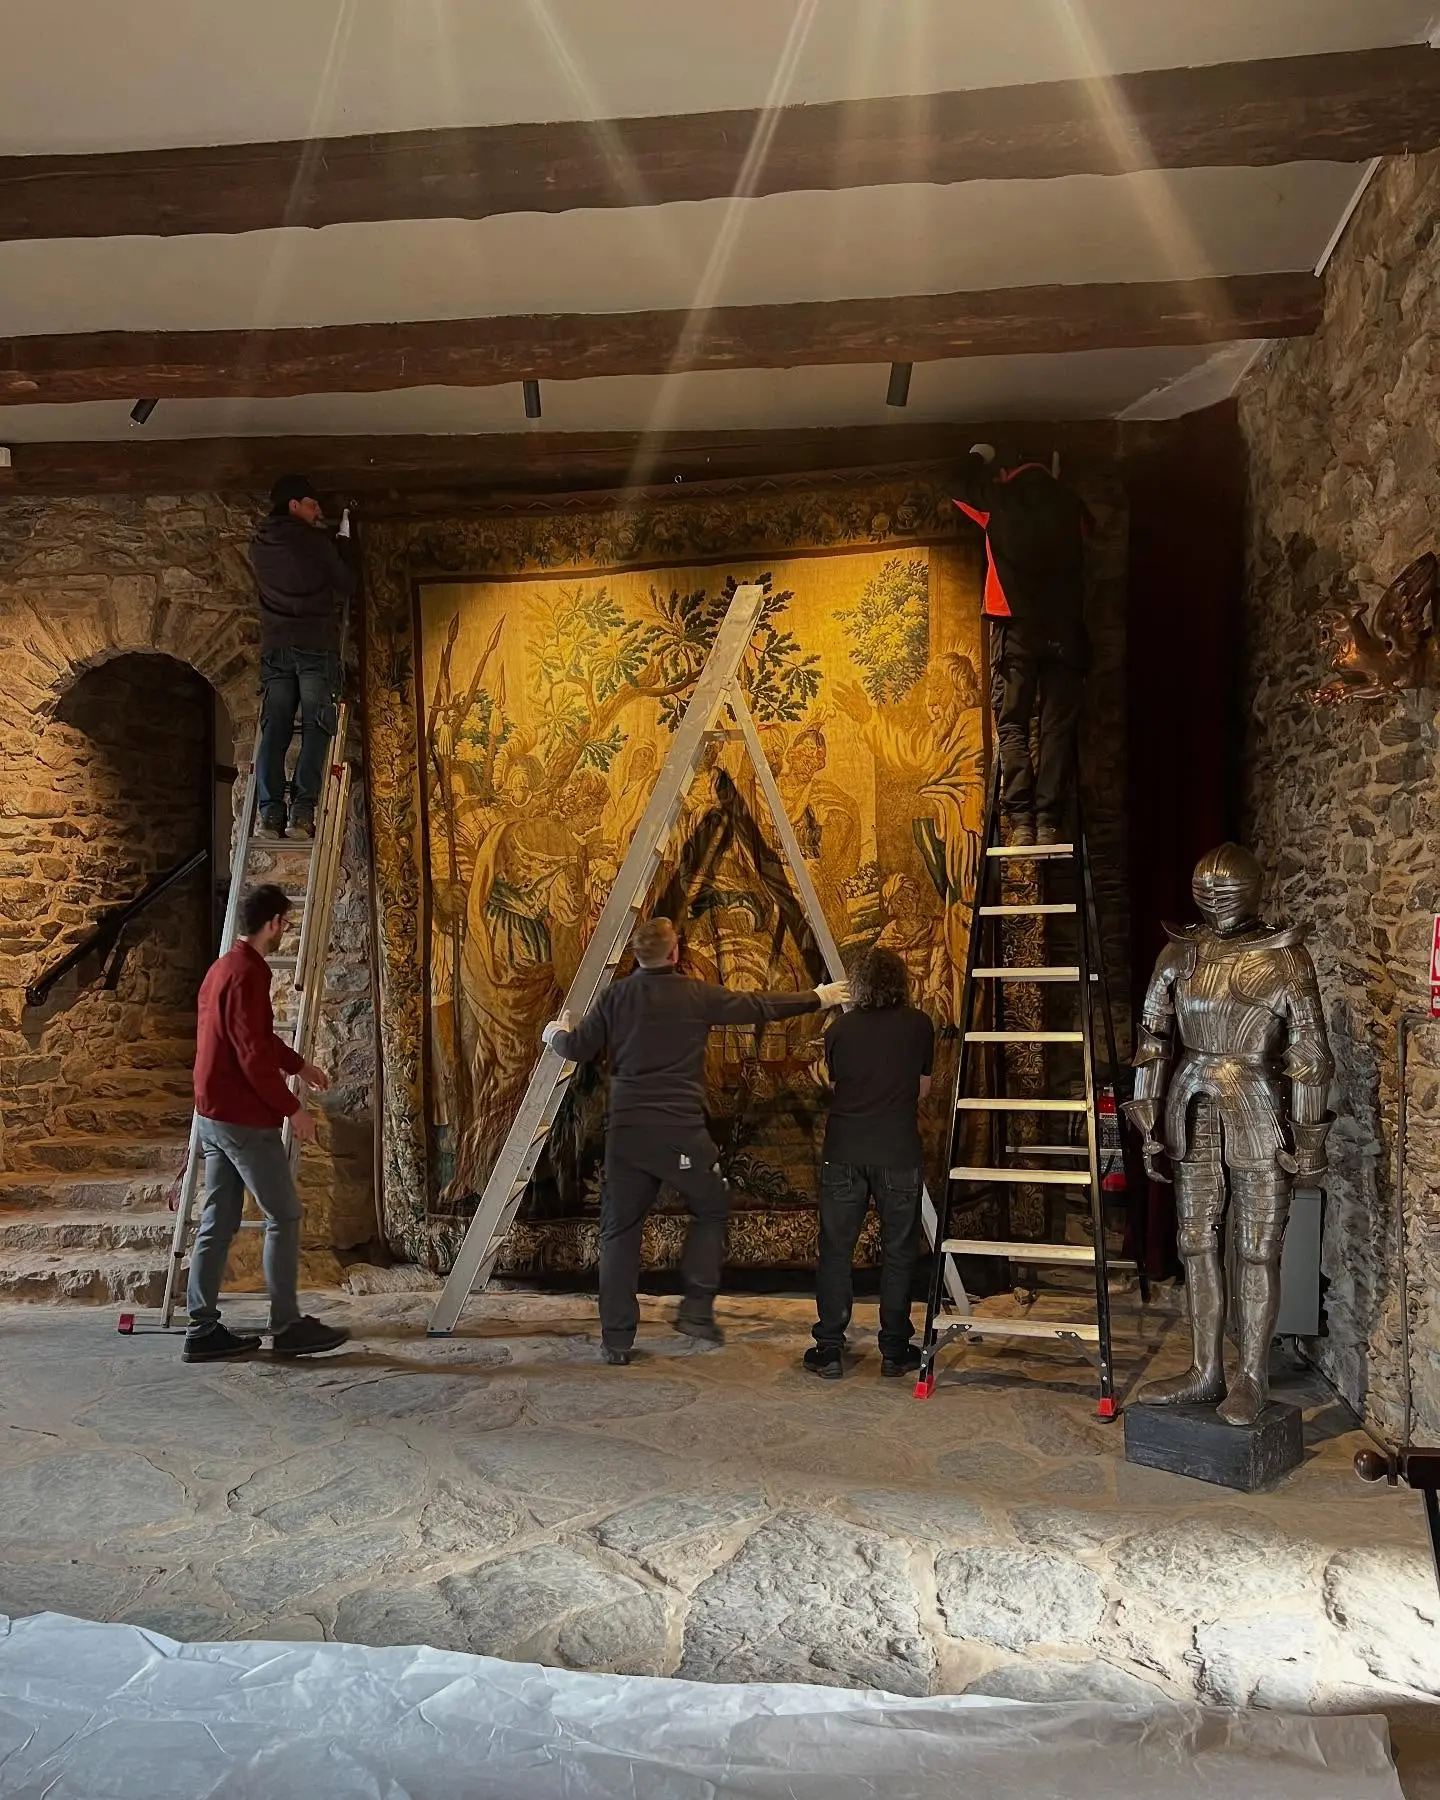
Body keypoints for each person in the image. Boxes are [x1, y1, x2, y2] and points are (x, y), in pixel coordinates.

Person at [542, 916, 849, 1364]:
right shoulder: (695, 994)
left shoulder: (615, 997)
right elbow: (757, 1006)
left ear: (637, 955)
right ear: (675, 954)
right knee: (711, 1204)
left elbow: (574, 1048)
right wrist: (816, 997)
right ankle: (697, 1310)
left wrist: (555, 1032)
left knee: (618, 1232)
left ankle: (617, 1339)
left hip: (627, 1140)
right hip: (682, 1140)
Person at [184, 883, 350, 1363]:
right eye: (286, 925)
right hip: (241, 1118)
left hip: (212, 1114)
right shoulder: (249, 975)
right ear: (274, 923)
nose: (285, 932)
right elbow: (253, 1055)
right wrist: (291, 1109)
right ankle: (286, 1324)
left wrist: (299, 1065)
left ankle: (202, 1330)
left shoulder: (222, 968)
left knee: (218, 1220)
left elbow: (252, 1038)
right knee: (284, 1214)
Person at [951, 444, 1093, 847]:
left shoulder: (998, 499)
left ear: (1005, 471)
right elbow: (1089, 529)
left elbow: (953, 485)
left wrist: (976, 455)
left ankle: (1021, 822)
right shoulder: (1069, 502)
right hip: (1066, 632)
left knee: (1012, 722)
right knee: (1056, 726)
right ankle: (1048, 821)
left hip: (1016, 629)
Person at [805, 945, 934, 1381]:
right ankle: (895, 1348)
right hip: (898, 1151)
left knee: (836, 1252)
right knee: (899, 1253)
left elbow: (841, 1083)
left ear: (859, 985)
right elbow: (923, 1091)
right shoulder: (920, 1026)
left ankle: (829, 1348)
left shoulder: (840, 1029)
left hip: (845, 1151)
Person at [249, 475, 357, 838]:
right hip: (314, 645)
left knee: (275, 728)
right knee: (316, 727)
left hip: (276, 647)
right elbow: (347, 583)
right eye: (312, 504)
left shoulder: (259, 545)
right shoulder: (314, 543)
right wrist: (342, 544)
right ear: (293, 504)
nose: (318, 512)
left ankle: (270, 813)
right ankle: (302, 811)